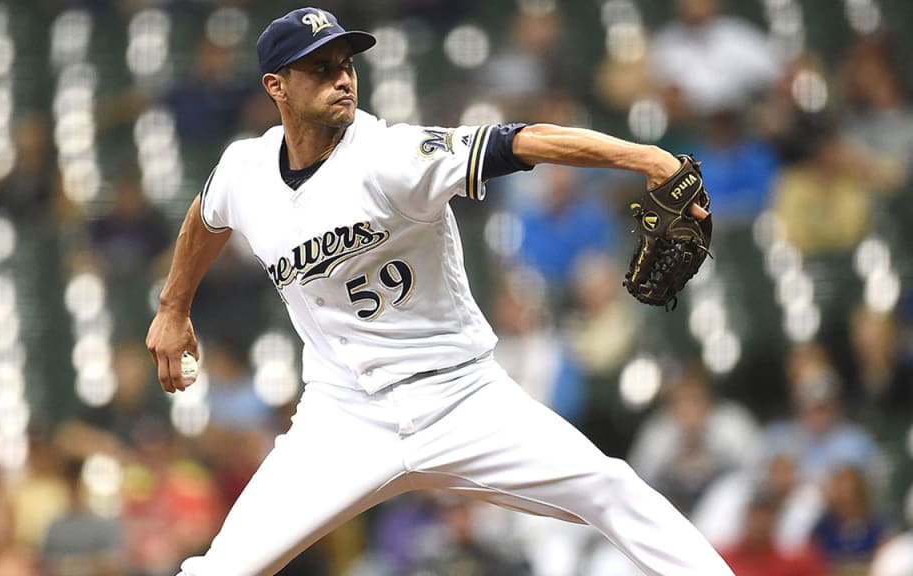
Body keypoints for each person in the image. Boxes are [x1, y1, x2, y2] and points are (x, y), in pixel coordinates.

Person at [145, 7, 730, 576]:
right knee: (220, 569)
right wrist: (173, 306)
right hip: (342, 416)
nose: (342, 78)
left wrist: (645, 157)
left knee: (613, 488)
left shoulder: (390, 156)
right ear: (277, 86)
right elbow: (207, 214)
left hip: (461, 395)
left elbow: (520, 140)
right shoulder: (246, 170)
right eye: (319, 68)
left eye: (345, 63)